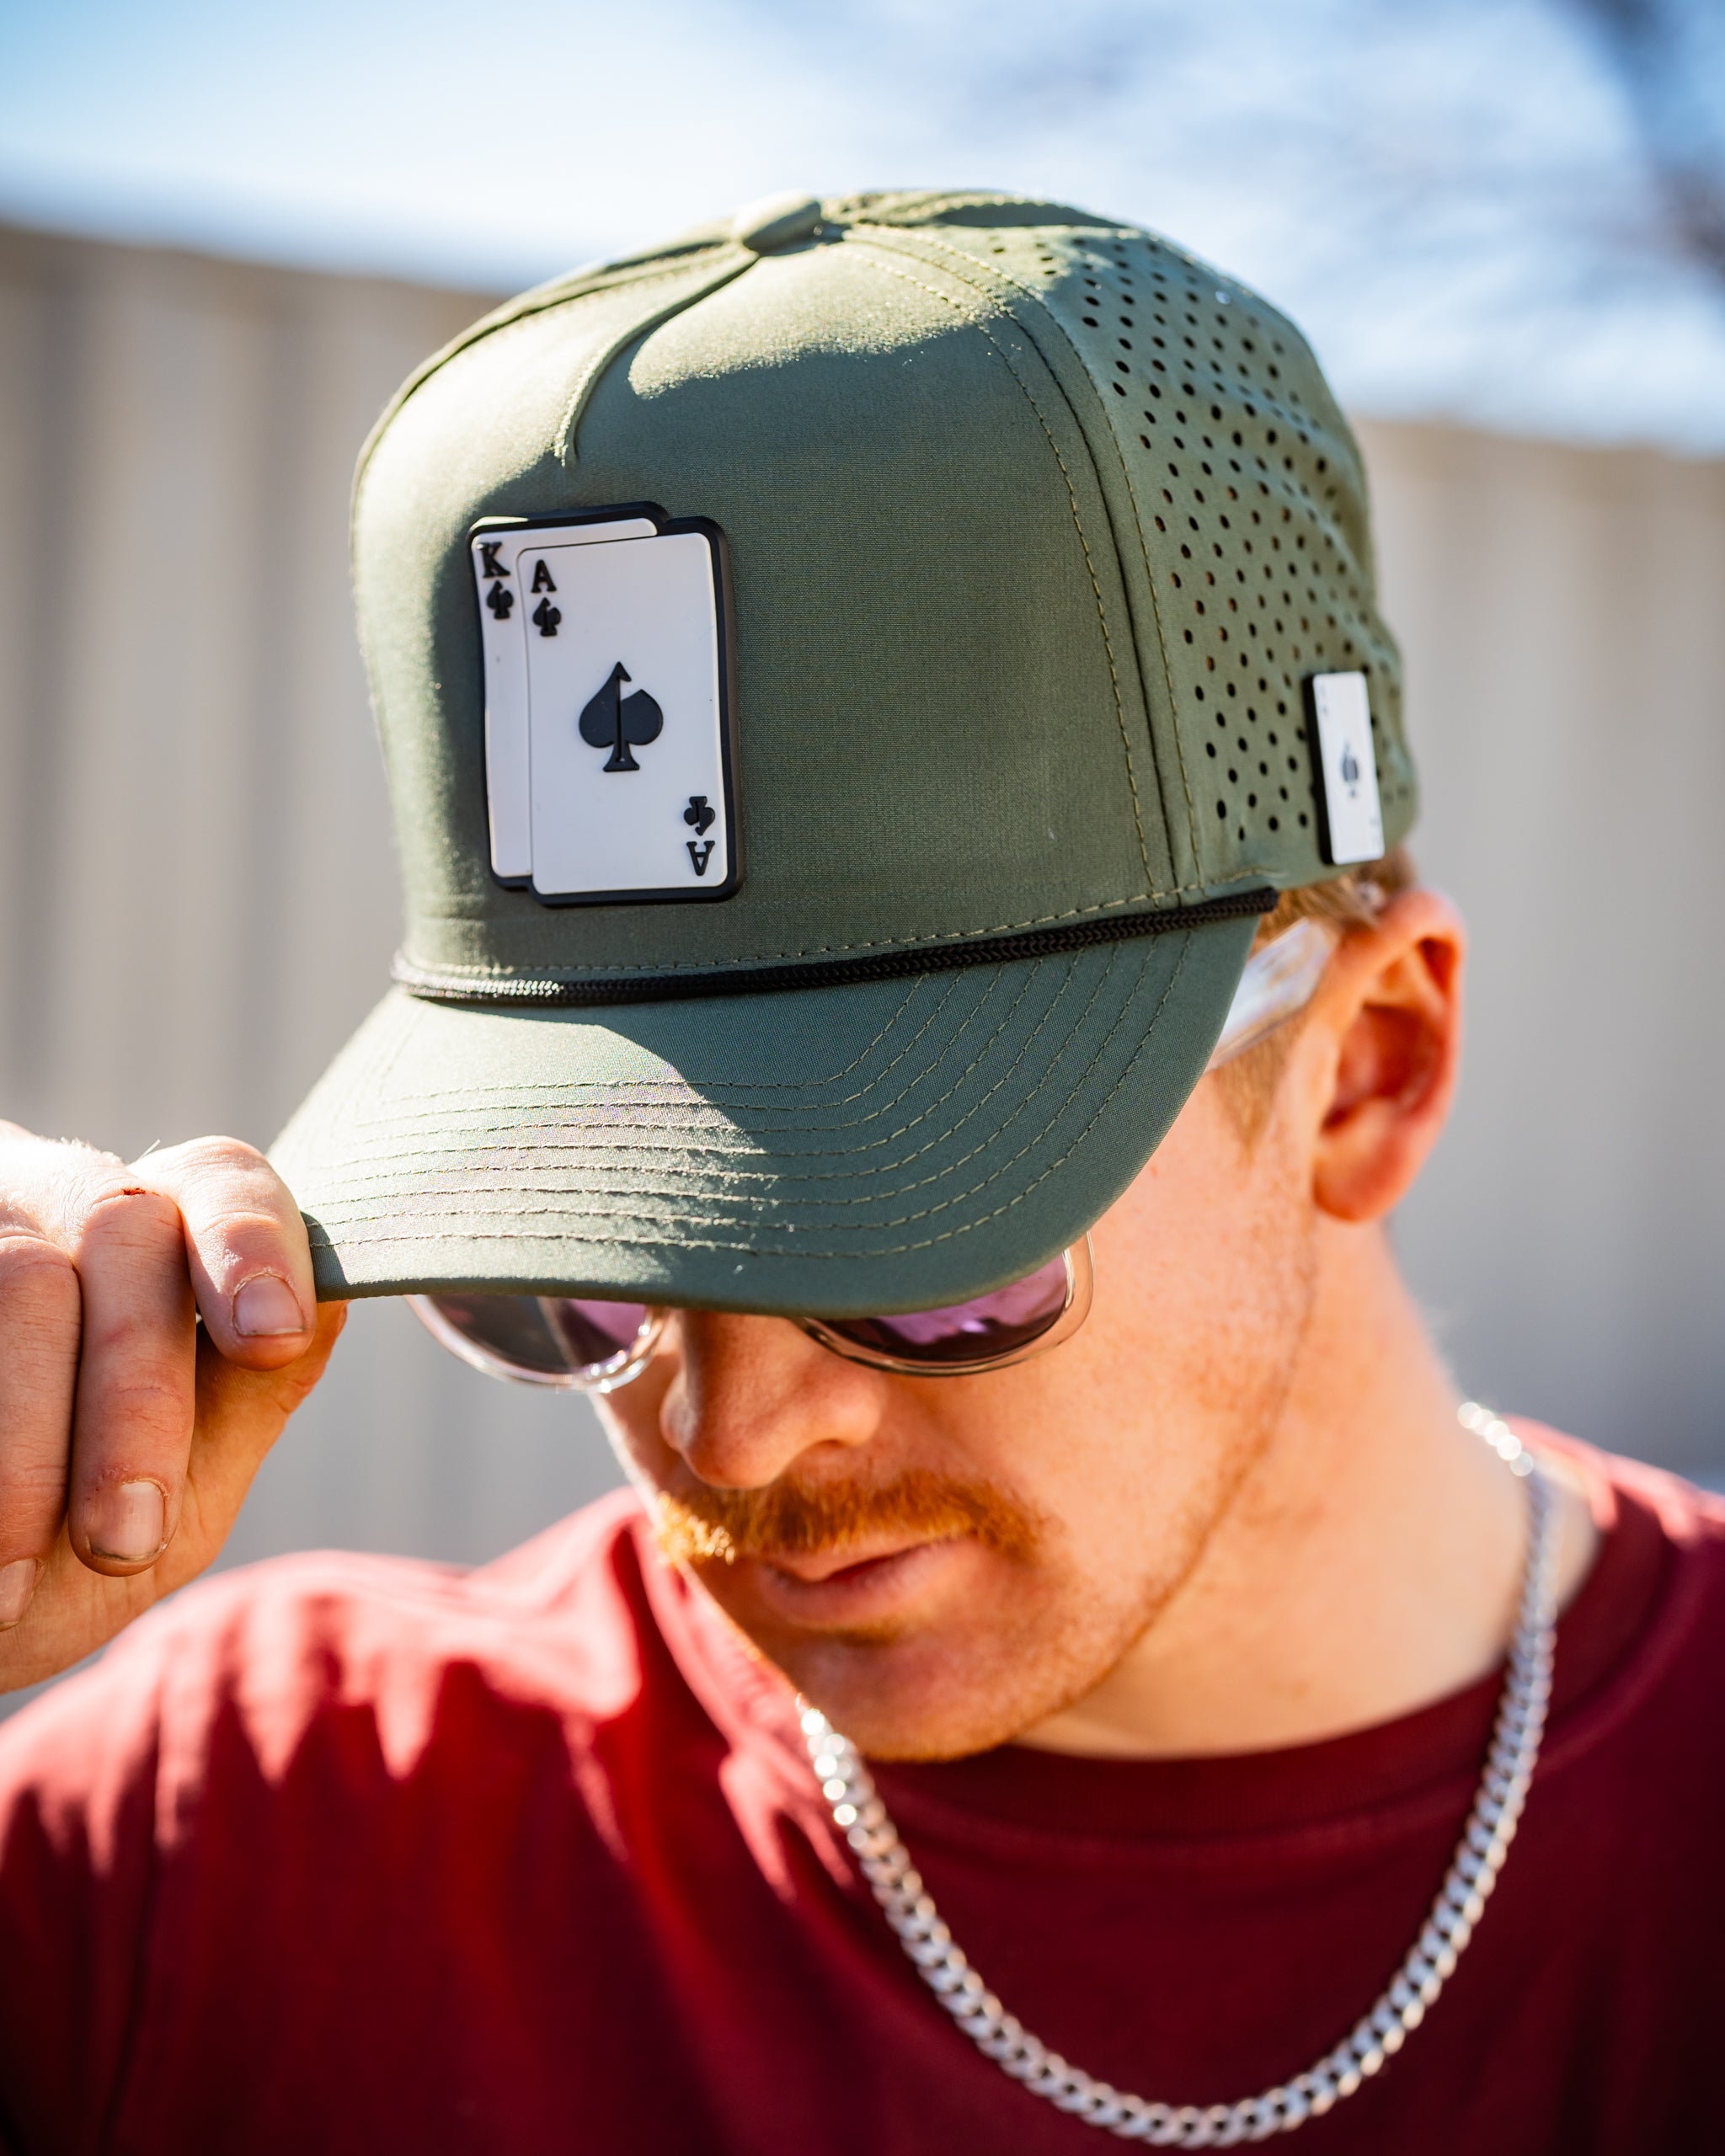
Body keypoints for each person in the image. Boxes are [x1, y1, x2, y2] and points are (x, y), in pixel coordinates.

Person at [0, 190, 1718, 2153]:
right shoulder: (239, 1831)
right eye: (591, 1269)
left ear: (1370, 1069)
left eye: (922, 1252)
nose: (728, 1438)